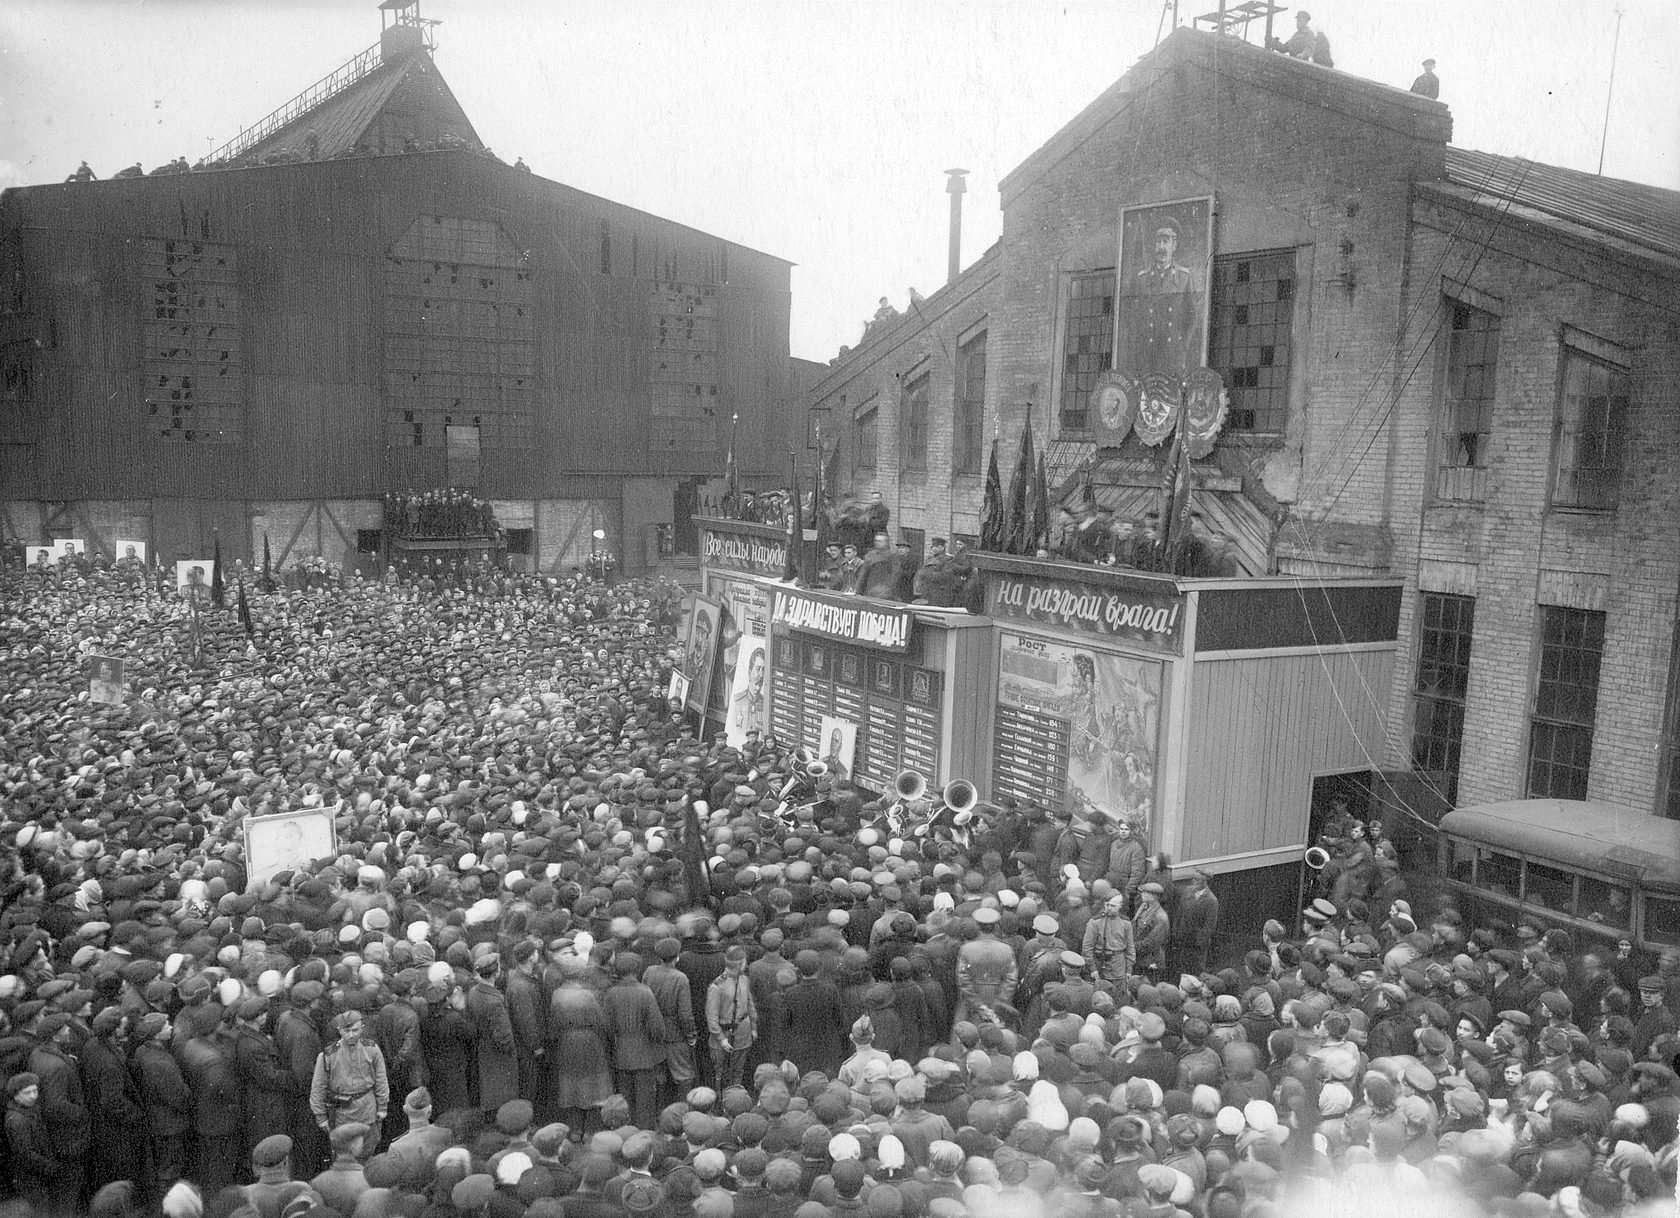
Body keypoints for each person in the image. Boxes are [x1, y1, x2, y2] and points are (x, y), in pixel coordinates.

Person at [1120, 216, 1201, 380]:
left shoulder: (1184, 277)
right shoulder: (1141, 279)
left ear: (1174, 246)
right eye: (1158, 242)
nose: (1161, 247)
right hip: (1147, 356)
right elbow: (1132, 319)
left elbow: (1192, 318)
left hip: (1172, 356)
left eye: (1166, 241)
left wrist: (1182, 348)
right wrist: (1136, 349)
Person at [309, 1010, 389, 1139]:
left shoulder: (372, 1050)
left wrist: (382, 1107)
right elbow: (318, 1087)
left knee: (369, 1148)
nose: (351, 1035)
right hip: (342, 1114)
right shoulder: (328, 1055)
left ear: (362, 1029)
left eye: (355, 1030)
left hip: (368, 1110)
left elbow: (381, 1080)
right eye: (346, 1031)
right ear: (339, 1030)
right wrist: (321, 1117)